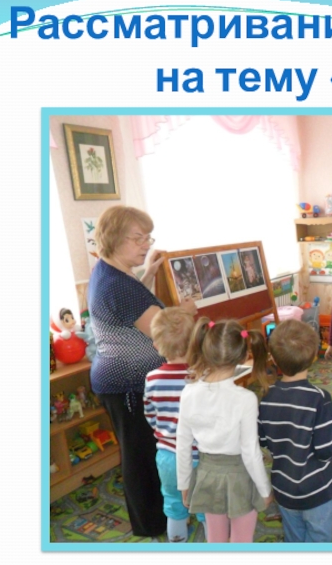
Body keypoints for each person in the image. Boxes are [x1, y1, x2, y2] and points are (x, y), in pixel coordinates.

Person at [88, 205, 196, 538]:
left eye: (148, 237)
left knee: (146, 453)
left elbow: (134, 299)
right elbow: (163, 330)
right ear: (113, 239)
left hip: (126, 382)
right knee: (141, 459)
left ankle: (160, 516)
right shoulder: (117, 285)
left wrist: (148, 273)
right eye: (138, 238)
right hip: (127, 384)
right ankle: (150, 525)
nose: (146, 244)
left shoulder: (114, 272)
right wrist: (186, 312)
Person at [176, 318, 273, 543]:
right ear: (244, 356)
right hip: (240, 476)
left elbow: (182, 444)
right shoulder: (246, 399)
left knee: (215, 538)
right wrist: (264, 489)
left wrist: (184, 484)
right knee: (242, 540)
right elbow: (250, 452)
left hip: (207, 475)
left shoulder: (188, 393)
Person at [258, 320, 332, 542]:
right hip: (317, 489)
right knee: (319, 539)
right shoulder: (320, 399)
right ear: (313, 357)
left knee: (293, 537)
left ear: (274, 359)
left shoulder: (266, 397)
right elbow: (325, 451)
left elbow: (263, 440)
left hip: (284, 487)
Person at [143, 307, 206, 542]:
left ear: (156, 345)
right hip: (199, 455)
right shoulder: (202, 376)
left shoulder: (151, 378)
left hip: (168, 457)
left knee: (173, 506)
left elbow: (150, 415)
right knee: (207, 508)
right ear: (194, 343)